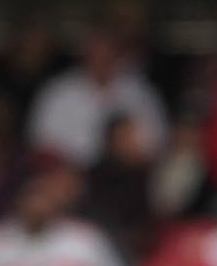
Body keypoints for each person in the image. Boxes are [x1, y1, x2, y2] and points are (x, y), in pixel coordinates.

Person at [26, 25, 168, 169]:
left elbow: (156, 143)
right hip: (71, 176)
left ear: (119, 54)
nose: (102, 58)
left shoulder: (141, 92)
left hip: (129, 173)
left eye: (108, 52)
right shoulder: (56, 93)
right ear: (83, 54)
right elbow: (40, 147)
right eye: (96, 51)